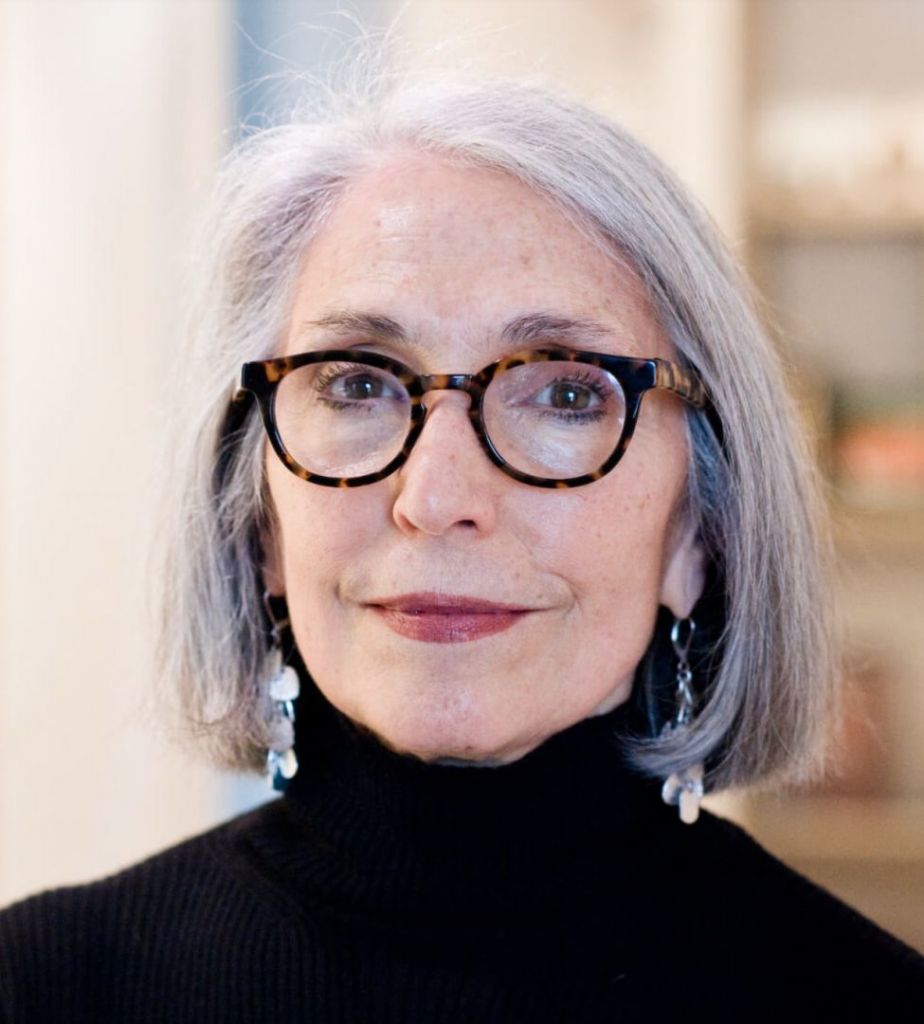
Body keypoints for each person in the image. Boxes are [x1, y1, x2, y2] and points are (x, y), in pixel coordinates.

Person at [1, 68, 922, 1022]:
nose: (436, 498)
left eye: (566, 393)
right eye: (357, 384)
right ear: (260, 517)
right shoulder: (43, 988)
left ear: (698, 530)